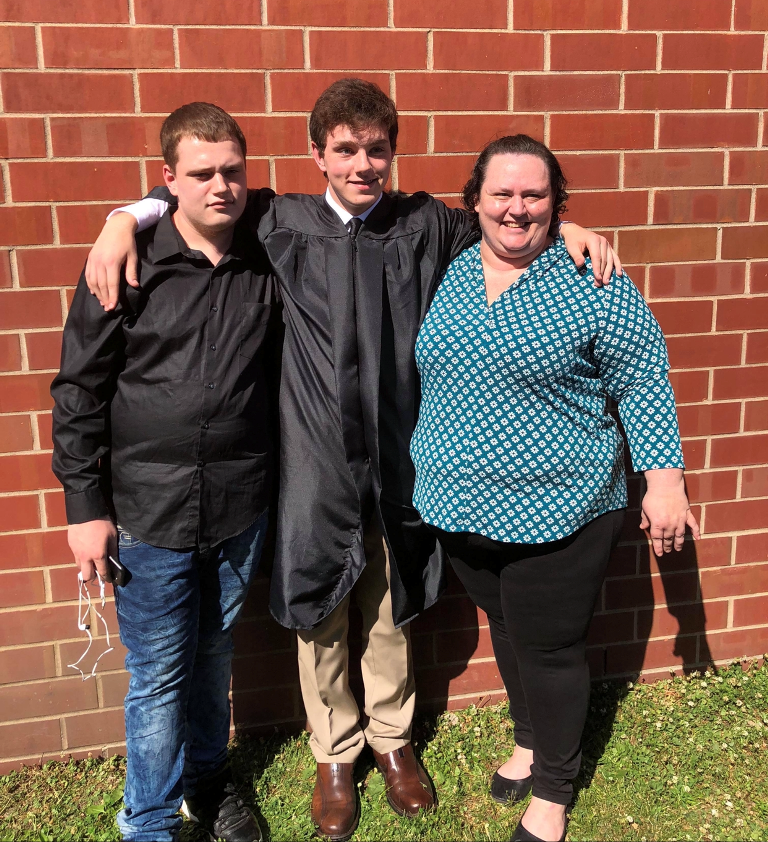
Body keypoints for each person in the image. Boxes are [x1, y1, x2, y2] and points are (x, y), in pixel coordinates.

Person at [83, 80, 621, 842]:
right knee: (321, 611)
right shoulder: (279, 220)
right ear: (318, 154)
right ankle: (335, 753)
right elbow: (193, 194)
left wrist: (569, 228)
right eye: (345, 150)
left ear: (392, 153)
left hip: (399, 458)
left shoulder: (425, 224)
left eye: (376, 150)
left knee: (390, 602)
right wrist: (123, 219)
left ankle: (393, 741)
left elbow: (510, 219)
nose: (363, 164)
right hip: (315, 462)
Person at [409, 134, 700, 842]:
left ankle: (553, 791)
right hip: (458, 504)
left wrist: (664, 481)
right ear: (474, 201)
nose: (517, 209)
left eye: (534, 195)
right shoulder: (449, 266)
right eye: (502, 193)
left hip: (559, 506)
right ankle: (529, 738)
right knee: (508, 625)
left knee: (548, 647)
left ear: (556, 203)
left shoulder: (592, 279)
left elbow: (642, 377)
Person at [51, 103, 279, 842]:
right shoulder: (127, 262)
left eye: (232, 171)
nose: (220, 186)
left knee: (213, 658)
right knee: (158, 676)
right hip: (149, 512)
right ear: (168, 179)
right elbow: (79, 391)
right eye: (201, 173)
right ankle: (147, 823)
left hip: (240, 503)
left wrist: (557, 226)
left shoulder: (268, 246)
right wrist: (84, 507)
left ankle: (208, 786)